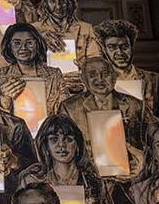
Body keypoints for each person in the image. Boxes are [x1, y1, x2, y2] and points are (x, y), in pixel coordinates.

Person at [58, 56, 148, 190]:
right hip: (87, 183)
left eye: (104, 74)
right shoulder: (69, 108)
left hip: (129, 184)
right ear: (84, 79)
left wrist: (142, 163)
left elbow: (154, 140)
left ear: (113, 76)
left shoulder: (136, 105)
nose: (99, 79)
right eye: (92, 75)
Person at [0, 22, 69, 119]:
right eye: (17, 43)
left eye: (29, 42)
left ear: (37, 44)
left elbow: (65, 109)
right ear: (9, 46)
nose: (23, 48)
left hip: (47, 130)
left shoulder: (54, 75)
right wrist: (4, 101)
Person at [96, 19, 159, 116]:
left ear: (132, 47)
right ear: (104, 50)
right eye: (112, 47)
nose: (119, 52)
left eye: (125, 46)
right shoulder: (97, 82)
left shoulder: (152, 79)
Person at [28, 0, 98, 62]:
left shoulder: (86, 28)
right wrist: (38, 37)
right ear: (46, 4)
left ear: (69, 3)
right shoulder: (34, 30)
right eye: (52, 1)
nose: (58, 6)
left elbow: (95, 59)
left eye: (62, 1)